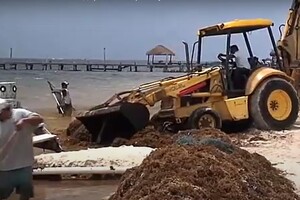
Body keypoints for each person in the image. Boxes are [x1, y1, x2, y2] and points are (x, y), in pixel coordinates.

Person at [0, 98, 44, 200]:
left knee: (25, 194)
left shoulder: (20, 113)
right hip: (4, 169)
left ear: (6, 110)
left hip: (25, 165)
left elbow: (39, 119)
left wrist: (25, 121)